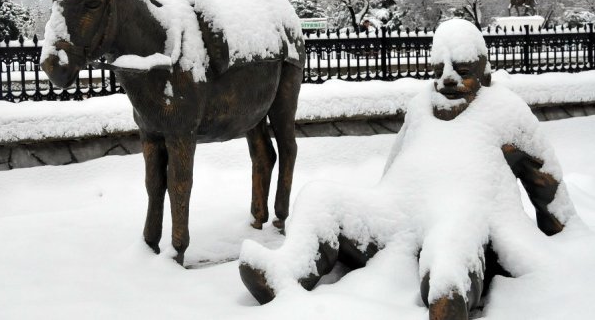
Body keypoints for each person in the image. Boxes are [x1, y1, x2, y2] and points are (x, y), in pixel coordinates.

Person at [238, 19, 577, 320]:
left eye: (462, 70)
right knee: (322, 198)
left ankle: (447, 299)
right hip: (398, 216)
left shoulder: (505, 111)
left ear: (484, 73)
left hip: (463, 216)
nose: (447, 80)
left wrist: (561, 229)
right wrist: (376, 206)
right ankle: (287, 272)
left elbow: (545, 179)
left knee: (451, 241)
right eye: (439, 70)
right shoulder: (420, 107)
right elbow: (396, 166)